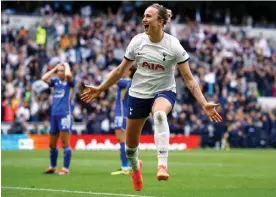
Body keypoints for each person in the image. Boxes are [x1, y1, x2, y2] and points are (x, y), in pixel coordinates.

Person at [80, 3, 222, 191]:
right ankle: (135, 168)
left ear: (161, 21)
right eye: (144, 16)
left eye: (148, 16)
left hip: (164, 91)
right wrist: (100, 88)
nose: (144, 19)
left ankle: (162, 164)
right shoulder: (137, 42)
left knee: (160, 115)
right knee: (130, 148)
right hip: (138, 94)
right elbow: (120, 70)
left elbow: (189, 78)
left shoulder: (173, 45)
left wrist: (203, 103)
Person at [42, 62, 75, 175]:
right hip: (54, 115)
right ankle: (53, 166)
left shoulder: (69, 82)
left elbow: (69, 75)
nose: (59, 72)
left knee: (65, 143)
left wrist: (67, 66)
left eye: (61, 70)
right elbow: (44, 78)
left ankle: (65, 168)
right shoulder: (55, 82)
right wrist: (54, 69)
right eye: (58, 71)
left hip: (64, 115)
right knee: (52, 144)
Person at [111, 66, 136, 176]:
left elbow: (111, 77)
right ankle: (131, 164)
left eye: (125, 69)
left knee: (122, 141)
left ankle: (125, 166)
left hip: (121, 114)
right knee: (126, 141)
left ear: (129, 71)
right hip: (127, 113)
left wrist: (118, 69)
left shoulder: (124, 82)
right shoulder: (132, 83)